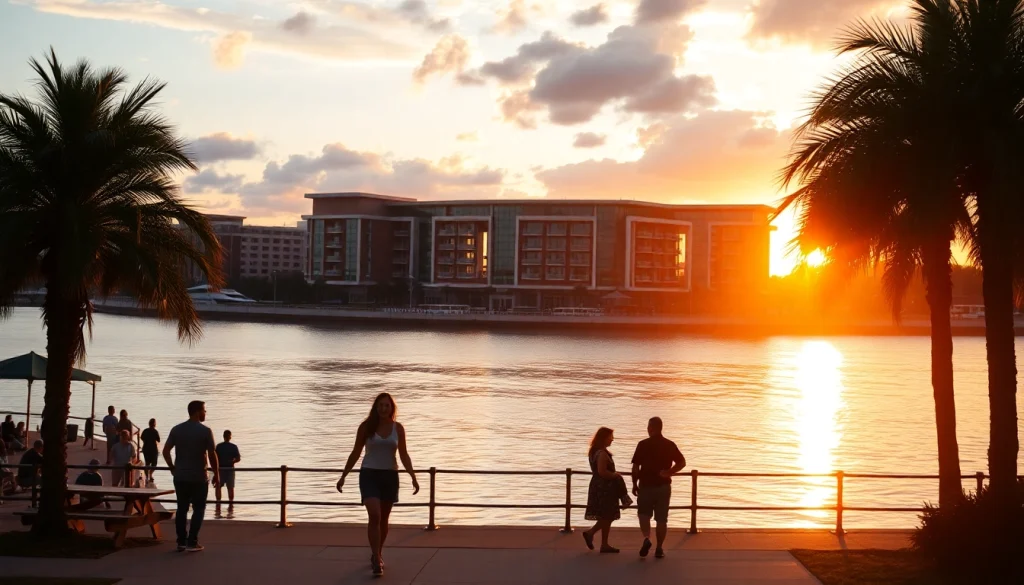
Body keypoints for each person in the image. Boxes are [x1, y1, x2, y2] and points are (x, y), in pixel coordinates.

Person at [336, 393, 420, 577]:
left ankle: (378, 553)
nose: (383, 409)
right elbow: (356, 452)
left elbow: (404, 455)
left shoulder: (398, 429)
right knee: (374, 514)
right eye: (380, 405)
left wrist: (413, 476)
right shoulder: (366, 427)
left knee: (383, 519)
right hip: (369, 474)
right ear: (375, 407)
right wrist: (343, 476)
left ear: (392, 408)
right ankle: (376, 556)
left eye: (387, 406)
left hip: (390, 476)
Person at [163, 400, 219, 553]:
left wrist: (172, 468)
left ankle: (181, 541)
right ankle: (192, 541)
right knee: (199, 508)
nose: (205, 413)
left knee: (182, 508)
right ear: (196, 412)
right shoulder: (206, 431)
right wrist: (217, 474)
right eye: (204, 411)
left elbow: (165, 451)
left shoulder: (176, 430)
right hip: (198, 477)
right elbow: (212, 455)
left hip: (180, 476)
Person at [631, 417, 686, 559]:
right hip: (663, 486)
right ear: (661, 428)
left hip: (646, 485)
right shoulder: (669, 444)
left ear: (650, 428)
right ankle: (659, 548)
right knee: (662, 519)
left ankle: (646, 538)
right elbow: (682, 462)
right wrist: (669, 472)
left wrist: (634, 484)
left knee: (643, 514)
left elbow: (635, 467)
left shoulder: (642, 444)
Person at [582, 427, 632, 553]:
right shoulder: (602, 454)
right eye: (610, 437)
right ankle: (594, 535)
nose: (612, 439)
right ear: (604, 438)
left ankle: (601, 541)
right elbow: (602, 472)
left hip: (598, 486)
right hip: (604, 488)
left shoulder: (594, 452)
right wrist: (616, 475)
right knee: (608, 515)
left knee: (606, 515)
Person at [214, 430, 241, 504]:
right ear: (230, 437)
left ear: (223, 436)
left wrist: (215, 472)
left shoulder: (219, 446)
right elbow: (238, 458)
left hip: (220, 469)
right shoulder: (233, 447)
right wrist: (232, 461)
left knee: (218, 487)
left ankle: (218, 504)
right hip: (229, 469)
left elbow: (215, 459)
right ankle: (230, 504)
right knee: (230, 488)